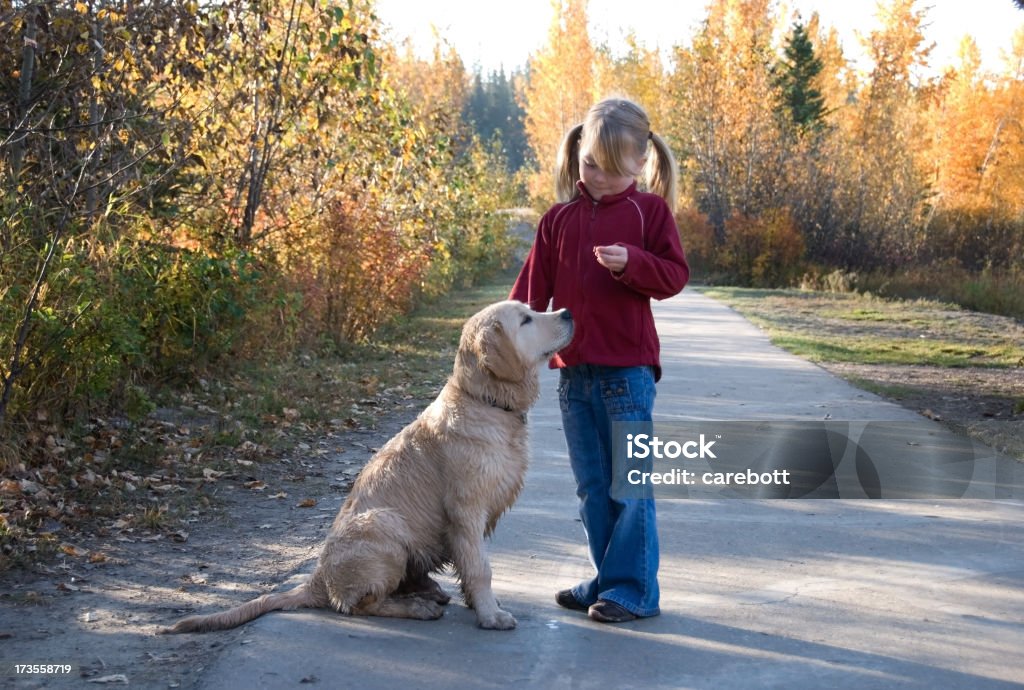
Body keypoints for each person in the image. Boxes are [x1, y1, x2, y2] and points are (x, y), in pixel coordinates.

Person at [509, 97, 689, 623]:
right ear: (578, 153)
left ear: (641, 163)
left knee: (628, 488)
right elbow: (528, 297)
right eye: (591, 164)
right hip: (574, 377)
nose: (600, 177)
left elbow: (674, 276)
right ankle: (607, 580)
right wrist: (504, 344)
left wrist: (633, 263)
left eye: (612, 169)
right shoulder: (557, 220)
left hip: (627, 374)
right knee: (592, 489)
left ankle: (634, 590)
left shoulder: (648, 212)